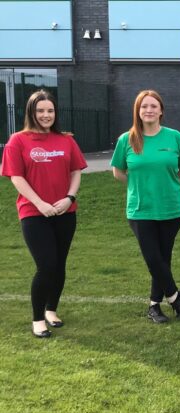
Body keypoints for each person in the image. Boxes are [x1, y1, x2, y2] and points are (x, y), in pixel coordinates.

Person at [1, 90, 87, 338]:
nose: (46, 115)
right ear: (31, 112)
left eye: (50, 110)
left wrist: (69, 198)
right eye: (40, 110)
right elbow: (16, 177)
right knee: (46, 264)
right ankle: (38, 319)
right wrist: (40, 203)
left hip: (65, 211)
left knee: (59, 264)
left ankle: (51, 310)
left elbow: (76, 171)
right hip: (34, 212)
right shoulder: (17, 140)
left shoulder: (66, 140)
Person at [111, 90, 180, 323]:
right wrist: (139, 185)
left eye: (153, 106)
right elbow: (118, 172)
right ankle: (176, 298)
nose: (149, 110)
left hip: (171, 208)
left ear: (161, 110)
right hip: (140, 209)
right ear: (137, 111)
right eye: (144, 106)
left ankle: (154, 306)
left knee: (162, 258)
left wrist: (165, 184)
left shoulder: (175, 137)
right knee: (153, 258)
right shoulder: (127, 139)